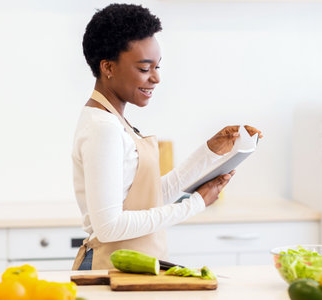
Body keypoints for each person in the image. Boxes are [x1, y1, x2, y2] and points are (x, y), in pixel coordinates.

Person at [71, 3, 263, 270]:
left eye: (157, 67)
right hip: (108, 270)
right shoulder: (103, 127)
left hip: (127, 267)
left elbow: (151, 197)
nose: (156, 78)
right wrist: (195, 203)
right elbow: (109, 228)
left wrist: (210, 153)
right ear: (108, 67)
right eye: (144, 68)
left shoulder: (112, 120)